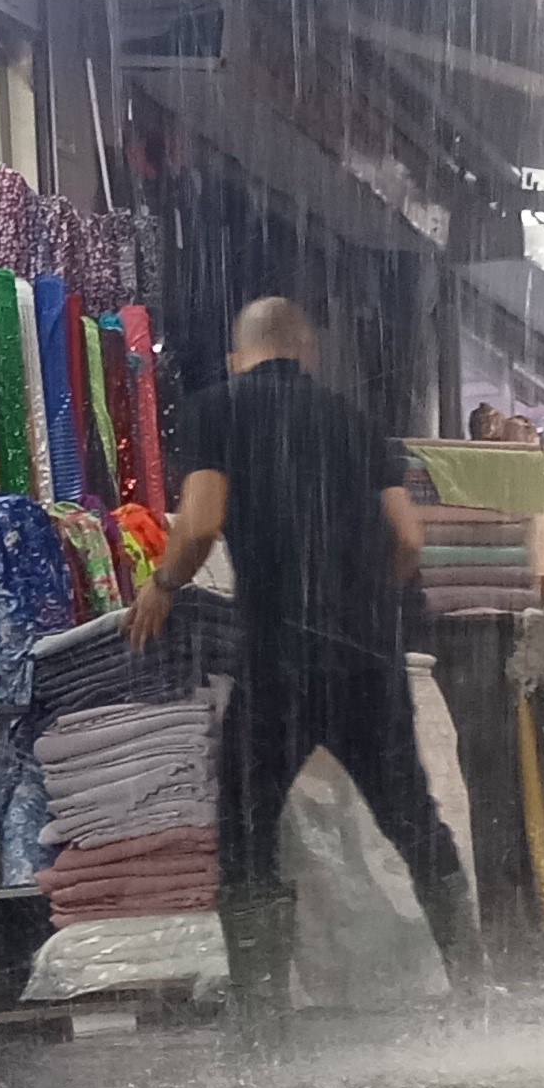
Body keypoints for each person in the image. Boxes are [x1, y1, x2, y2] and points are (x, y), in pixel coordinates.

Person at [131, 298, 481, 1022]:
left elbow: (200, 519)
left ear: (239, 356)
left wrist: (163, 584)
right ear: (307, 353)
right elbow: (408, 539)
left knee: (248, 827)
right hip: (368, 657)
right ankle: (475, 989)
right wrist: (357, 603)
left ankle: (262, 1022)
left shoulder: (215, 409)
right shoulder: (357, 423)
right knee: (412, 817)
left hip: (277, 657)